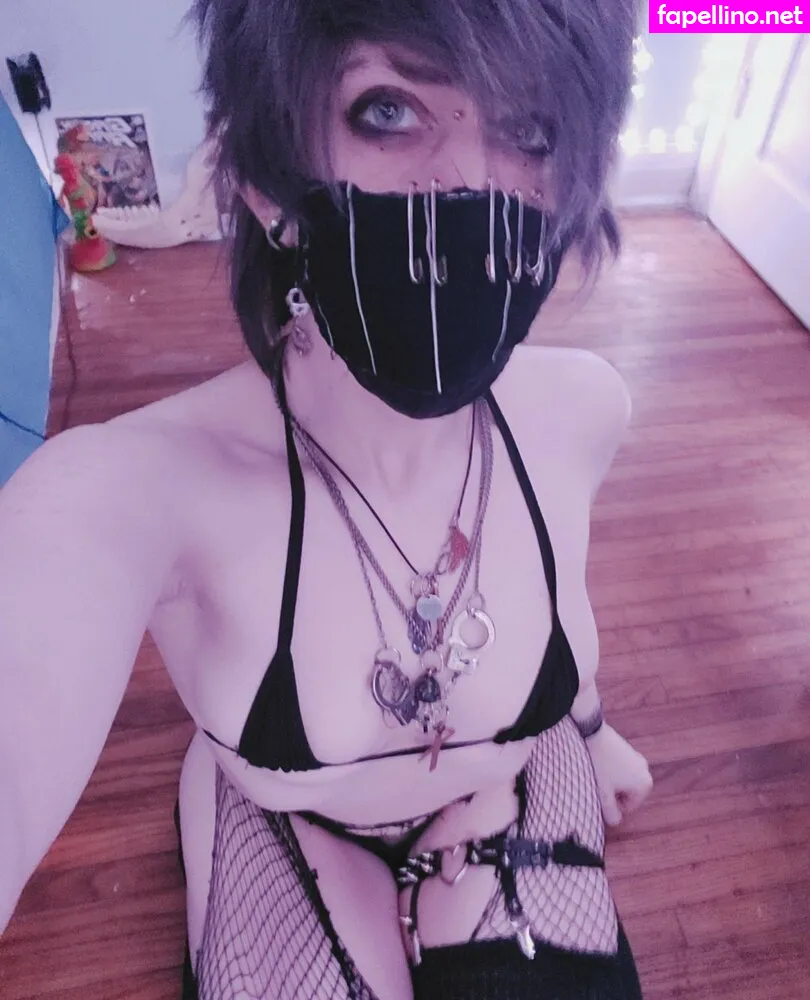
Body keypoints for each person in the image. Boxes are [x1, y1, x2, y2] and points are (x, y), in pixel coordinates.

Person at [0, 1, 655, 997]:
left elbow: (563, 589)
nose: (467, 185)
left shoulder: (582, 409)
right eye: (388, 111)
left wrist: (594, 732)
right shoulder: (135, 487)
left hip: (504, 786)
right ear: (269, 183)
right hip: (287, 809)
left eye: (528, 129)